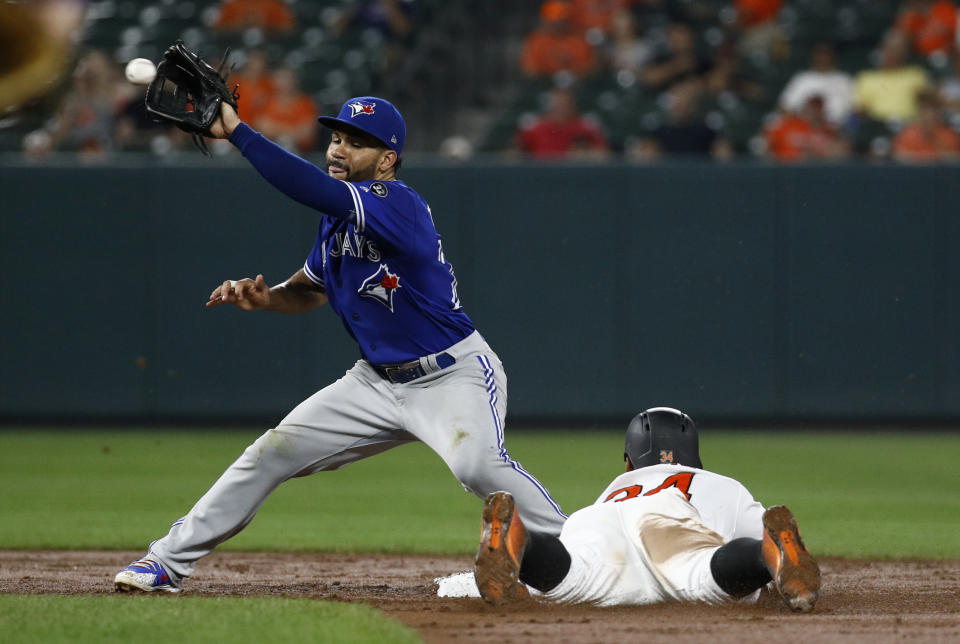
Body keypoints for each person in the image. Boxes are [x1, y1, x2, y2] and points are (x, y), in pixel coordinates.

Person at [113, 96, 567, 593]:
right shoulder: (338, 220)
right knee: (271, 453)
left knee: (477, 464)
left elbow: (307, 187)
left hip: (451, 374)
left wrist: (240, 132)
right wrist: (268, 298)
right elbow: (309, 290)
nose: (338, 150)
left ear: (387, 159)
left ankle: (577, 552)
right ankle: (166, 562)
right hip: (373, 382)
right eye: (335, 139)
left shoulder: (399, 204)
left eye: (356, 143)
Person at [473, 408, 822, 612]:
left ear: (629, 462)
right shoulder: (720, 484)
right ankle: (770, 553)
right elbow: (750, 527)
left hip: (598, 522)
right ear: (695, 457)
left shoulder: (615, 488)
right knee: (708, 571)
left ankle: (524, 542)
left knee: (570, 573)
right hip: (671, 522)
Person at [853, 31, 929, 124]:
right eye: (892, 49)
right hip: (877, 125)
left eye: (900, 50)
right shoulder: (866, 77)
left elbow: (926, 103)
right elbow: (859, 110)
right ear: (882, 50)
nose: (895, 54)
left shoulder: (916, 74)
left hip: (908, 125)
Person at [515, 86, 609, 160]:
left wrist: (586, 155)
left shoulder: (585, 127)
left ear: (572, 105)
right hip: (540, 177)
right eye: (557, 104)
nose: (561, 107)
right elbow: (513, 154)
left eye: (564, 103)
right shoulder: (535, 129)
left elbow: (604, 155)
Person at [778, 42, 855, 128]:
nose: (822, 58)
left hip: (835, 129)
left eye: (826, 54)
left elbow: (854, 110)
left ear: (833, 56)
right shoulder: (802, 78)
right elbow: (784, 106)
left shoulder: (844, 80)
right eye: (819, 54)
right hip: (802, 128)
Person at [521, 1, 597, 78]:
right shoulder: (537, 41)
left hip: (577, 84)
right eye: (554, 21)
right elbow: (530, 70)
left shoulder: (579, 40)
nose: (559, 24)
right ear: (546, 21)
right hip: (545, 84)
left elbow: (589, 68)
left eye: (562, 20)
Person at [763, 95, 849, 162]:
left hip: (815, 172)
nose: (815, 111)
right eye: (813, 107)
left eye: (819, 108)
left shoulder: (828, 130)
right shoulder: (787, 125)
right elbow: (768, 147)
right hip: (785, 170)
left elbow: (841, 152)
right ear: (806, 108)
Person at [253, 66, 318, 153]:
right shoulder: (265, 101)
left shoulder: (306, 103)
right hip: (267, 150)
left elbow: (307, 134)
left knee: (287, 144)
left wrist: (276, 129)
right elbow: (260, 128)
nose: (286, 82)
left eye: (289, 78)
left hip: (300, 154)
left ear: (295, 80)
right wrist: (291, 130)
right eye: (281, 78)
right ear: (273, 80)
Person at [892, 88, 960, 162]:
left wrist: (935, 139)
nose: (928, 114)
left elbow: (953, 162)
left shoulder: (949, 135)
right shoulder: (907, 135)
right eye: (924, 109)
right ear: (918, 111)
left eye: (933, 109)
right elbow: (900, 160)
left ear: (939, 112)